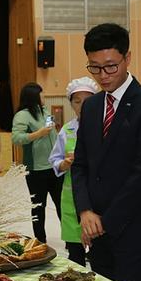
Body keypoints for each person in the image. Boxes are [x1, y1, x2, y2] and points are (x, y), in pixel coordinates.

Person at [71, 23, 141, 281]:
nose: (102, 75)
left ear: (127, 58)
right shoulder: (91, 106)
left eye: (110, 66)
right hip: (95, 228)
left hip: (132, 228)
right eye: (94, 67)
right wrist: (86, 211)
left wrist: (105, 222)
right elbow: (80, 165)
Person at [49, 77, 100, 265]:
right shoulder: (67, 130)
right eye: (77, 101)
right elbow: (55, 160)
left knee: (99, 252)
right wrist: (64, 163)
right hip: (71, 199)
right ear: (70, 104)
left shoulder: (104, 128)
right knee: (75, 254)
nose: (82, 106)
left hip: (96, 200)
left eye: (87, 101)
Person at [12, 82, 61, 243]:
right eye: (41, 93)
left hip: (54, 167)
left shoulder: (45, 111)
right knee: (38, 207)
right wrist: (38, 134)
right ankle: (40, 240)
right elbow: (16, 138)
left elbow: (52, 134)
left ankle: (70, 240)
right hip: (36, 169)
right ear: (33, 96)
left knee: (62, 204)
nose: (44, 95)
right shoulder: (22, 115)